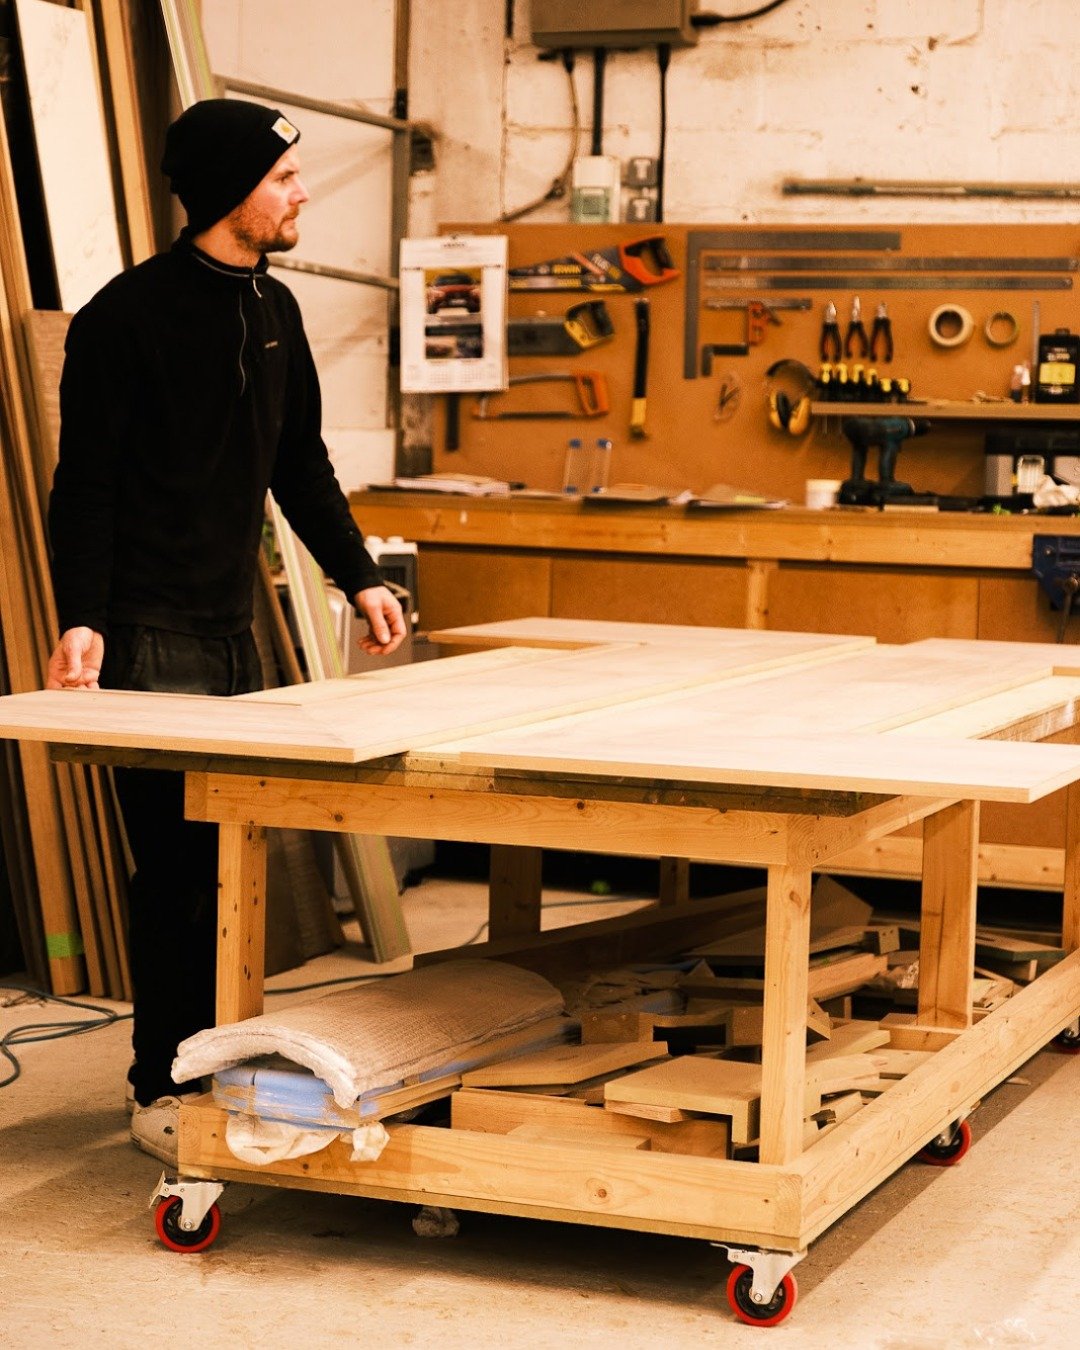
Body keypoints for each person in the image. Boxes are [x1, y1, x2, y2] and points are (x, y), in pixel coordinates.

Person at [45, 98, 406, 1166]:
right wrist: (83, 621)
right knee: (175, 873)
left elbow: (300, 466)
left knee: (228, 871)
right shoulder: (126, 319)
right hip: (148, 639)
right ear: (230, 189)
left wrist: (356, 577)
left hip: (233, 636)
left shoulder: (275, 311)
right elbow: (87, 488)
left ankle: (212, 1063)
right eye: (285, 177)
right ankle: (157, 1084)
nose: (301, 194)